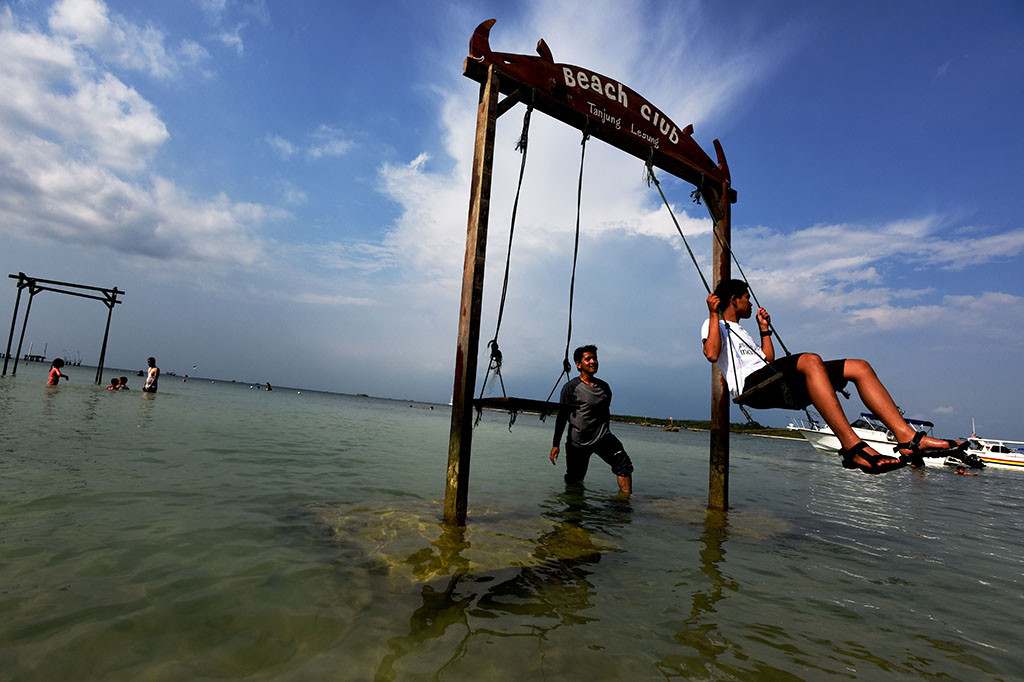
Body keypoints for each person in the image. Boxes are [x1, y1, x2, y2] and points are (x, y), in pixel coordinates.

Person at [701, 279, 964, 474]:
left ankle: (908, 437)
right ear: (734, 299)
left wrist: (764, 330)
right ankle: (851, 446)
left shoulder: (741, 330)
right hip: (752, 388)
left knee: (859, 367)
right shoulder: (714, 325)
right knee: (810, 359)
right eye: (746, 297)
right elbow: (712, 353)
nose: (750, 302)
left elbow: (766, 359)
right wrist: (714, 315)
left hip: (772, 379)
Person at [550, 345, 634, 494]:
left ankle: (624, 505)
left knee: (624, 464)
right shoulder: (571, 387)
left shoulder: (604, 388)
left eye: (595, 358)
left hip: (602, 438)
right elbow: (562, 416)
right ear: (578, 364)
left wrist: (606, 433)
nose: (593, 361)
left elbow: (605, 413)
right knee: (575, 481)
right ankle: (574, 511)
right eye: (588, 359)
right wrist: (555, 444)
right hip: (578, 442)